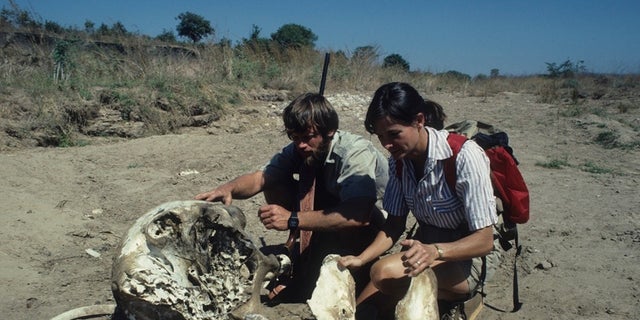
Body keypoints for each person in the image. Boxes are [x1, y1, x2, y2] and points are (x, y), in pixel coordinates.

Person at [195, 92, 389, 303]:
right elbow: (262, 178)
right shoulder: (300, 148)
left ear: (330, 131)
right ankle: (299, 249)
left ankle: (347, 268)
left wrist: (293, 219)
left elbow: (359, 214)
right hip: (329, 211)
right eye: (294, 138)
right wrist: (228, 188)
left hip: (367, 223)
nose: (301, 145)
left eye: (307, 137)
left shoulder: (355, 152)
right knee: (276, 182)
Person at [339, 82, 502, 319]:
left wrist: (435, 251)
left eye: (394, 134)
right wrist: (361, 258)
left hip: (469, 256)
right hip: (426, 246)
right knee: (360, 310)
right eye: (380, 136)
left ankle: (463, 297)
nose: (386, 144)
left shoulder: (465, 156)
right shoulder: (398, 160)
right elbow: (394, 224)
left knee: (383, 274)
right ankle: (428, 295)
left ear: (419, 120)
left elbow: (484, 241)